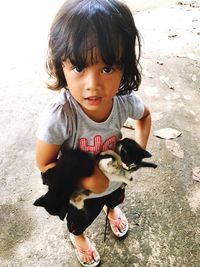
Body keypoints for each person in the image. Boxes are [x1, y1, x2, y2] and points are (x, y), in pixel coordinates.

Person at [35, 0, 151, 266]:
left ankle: (112, 210)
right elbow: (44, 163)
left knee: (114, 196)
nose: (93, 85)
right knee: (79, 220)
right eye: (78, 68)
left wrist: (137, 153)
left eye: (107, 68)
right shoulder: (60, 117)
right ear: (59, 64)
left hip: (115, 179)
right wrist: (87, 179)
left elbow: (145, 116)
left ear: (125, 65)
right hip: (81, 194)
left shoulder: (124, 100)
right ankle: (79, 238)